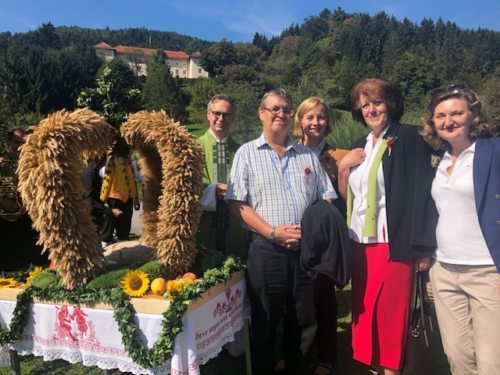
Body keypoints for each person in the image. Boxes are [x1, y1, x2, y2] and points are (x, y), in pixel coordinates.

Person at [225, 88, 336, 374]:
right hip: (265, 249)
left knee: (303, 321)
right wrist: (273, 232)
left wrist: (308, 233)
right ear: (261, 113)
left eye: (286, 109)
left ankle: (298, 368)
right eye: (274, 108)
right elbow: (238, 204)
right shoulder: (246, 153)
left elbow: (325, 199)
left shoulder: (307, 156)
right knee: (265, 320)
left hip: (303, 252)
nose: (281, 114)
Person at [337, 77, 437, 375]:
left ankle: (391, 370)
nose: (371, 109)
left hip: (393, 243)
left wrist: (423, 247)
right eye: (365, 105)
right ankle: (372, 367)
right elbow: (349, 196)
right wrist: (344, 167)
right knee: (365, 310)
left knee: (390, 314)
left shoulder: (406, 137)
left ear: (390, 104)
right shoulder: (359, 144)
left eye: (377, 102)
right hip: (360, 243)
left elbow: (423, 191)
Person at [420, 84, 500, 375]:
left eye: (456, 113)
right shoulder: (437, 160)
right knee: (458, 358)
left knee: (492, 364)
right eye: (440, 115)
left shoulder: (493, 151)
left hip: (488, 272)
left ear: (473, 115)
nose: (448, 121)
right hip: (444, 272)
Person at [293, 97, 351, 375]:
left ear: (328, 122)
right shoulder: (289, 152)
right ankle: (295, 351)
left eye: (321, 117)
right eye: (310, 117)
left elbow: (347, 198)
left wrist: (343, 170)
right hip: (293, 234)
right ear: (300, 121)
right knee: (297, 298)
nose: (315, 122)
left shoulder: (338, 156)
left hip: (324, 239)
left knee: (324, 298)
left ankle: (327, 356)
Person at [196, 94, 243, 256]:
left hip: (234, 220)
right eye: (217, 113)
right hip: (203, 220)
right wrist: (212, 189)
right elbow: (184, 185)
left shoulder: (241, 150)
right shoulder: (194, 147)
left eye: (227, 115)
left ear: (233, 118)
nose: (221, 118)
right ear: (208, 114)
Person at [0, 127, 48, 271]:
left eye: (24, 142)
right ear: (9, 141)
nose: (20, 146)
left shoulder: (34, 165)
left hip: (26, 218)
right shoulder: (1, 163)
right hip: (3, 220)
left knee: (27, 258)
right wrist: (1, 202)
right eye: (16, 142)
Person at [99, 137, 138, 246]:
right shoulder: (106, 157)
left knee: (124, 230)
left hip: (127, 198)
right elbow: (103, 175)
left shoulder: (129, 158)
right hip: (111, 198)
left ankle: (123, 252)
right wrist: (104, 200)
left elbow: (134, 177)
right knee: (108, 229)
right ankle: (106, 253)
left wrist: (136, 198)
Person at [80, 155, 123, 236]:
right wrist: (110, 210)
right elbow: (90, 200)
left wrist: (103, 204)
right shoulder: (90, 174)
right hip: (89, 216)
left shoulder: (93, 172)